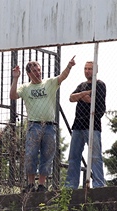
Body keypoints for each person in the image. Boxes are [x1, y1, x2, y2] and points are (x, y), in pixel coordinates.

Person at [10, 56, 76, 192]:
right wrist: (15, 78)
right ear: (29, 73)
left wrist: (69, 66)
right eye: (34, 71)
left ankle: (41, 184)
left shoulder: (49, 83)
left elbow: (62, 77)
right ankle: (30, 184)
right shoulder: (25, 88)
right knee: (31, 154)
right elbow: (12, 96)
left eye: (39, 70)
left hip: (49, 126)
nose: (37, 73)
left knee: (47, 154)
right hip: (34, 125)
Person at [65, 61, 107, 189]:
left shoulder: (99, 85)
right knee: (74, 156)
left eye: (90, 69)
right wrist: (83, 94)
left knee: (95, 156)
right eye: (85, 68)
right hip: (78, 125)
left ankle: (99, 184)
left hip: (92, 125)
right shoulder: (82, 85)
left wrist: (82, 97)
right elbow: (71, 98)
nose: (87, 71)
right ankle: (71, 185)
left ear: (96, 70)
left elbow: (97, 103)